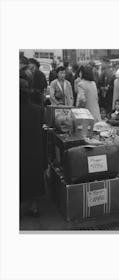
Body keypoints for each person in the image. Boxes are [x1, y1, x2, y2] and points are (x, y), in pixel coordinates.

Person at [20, 77, 45, 217]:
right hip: (35, 148)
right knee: (34, 176)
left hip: (21, 149)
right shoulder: (38, 110)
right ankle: (34, 206)